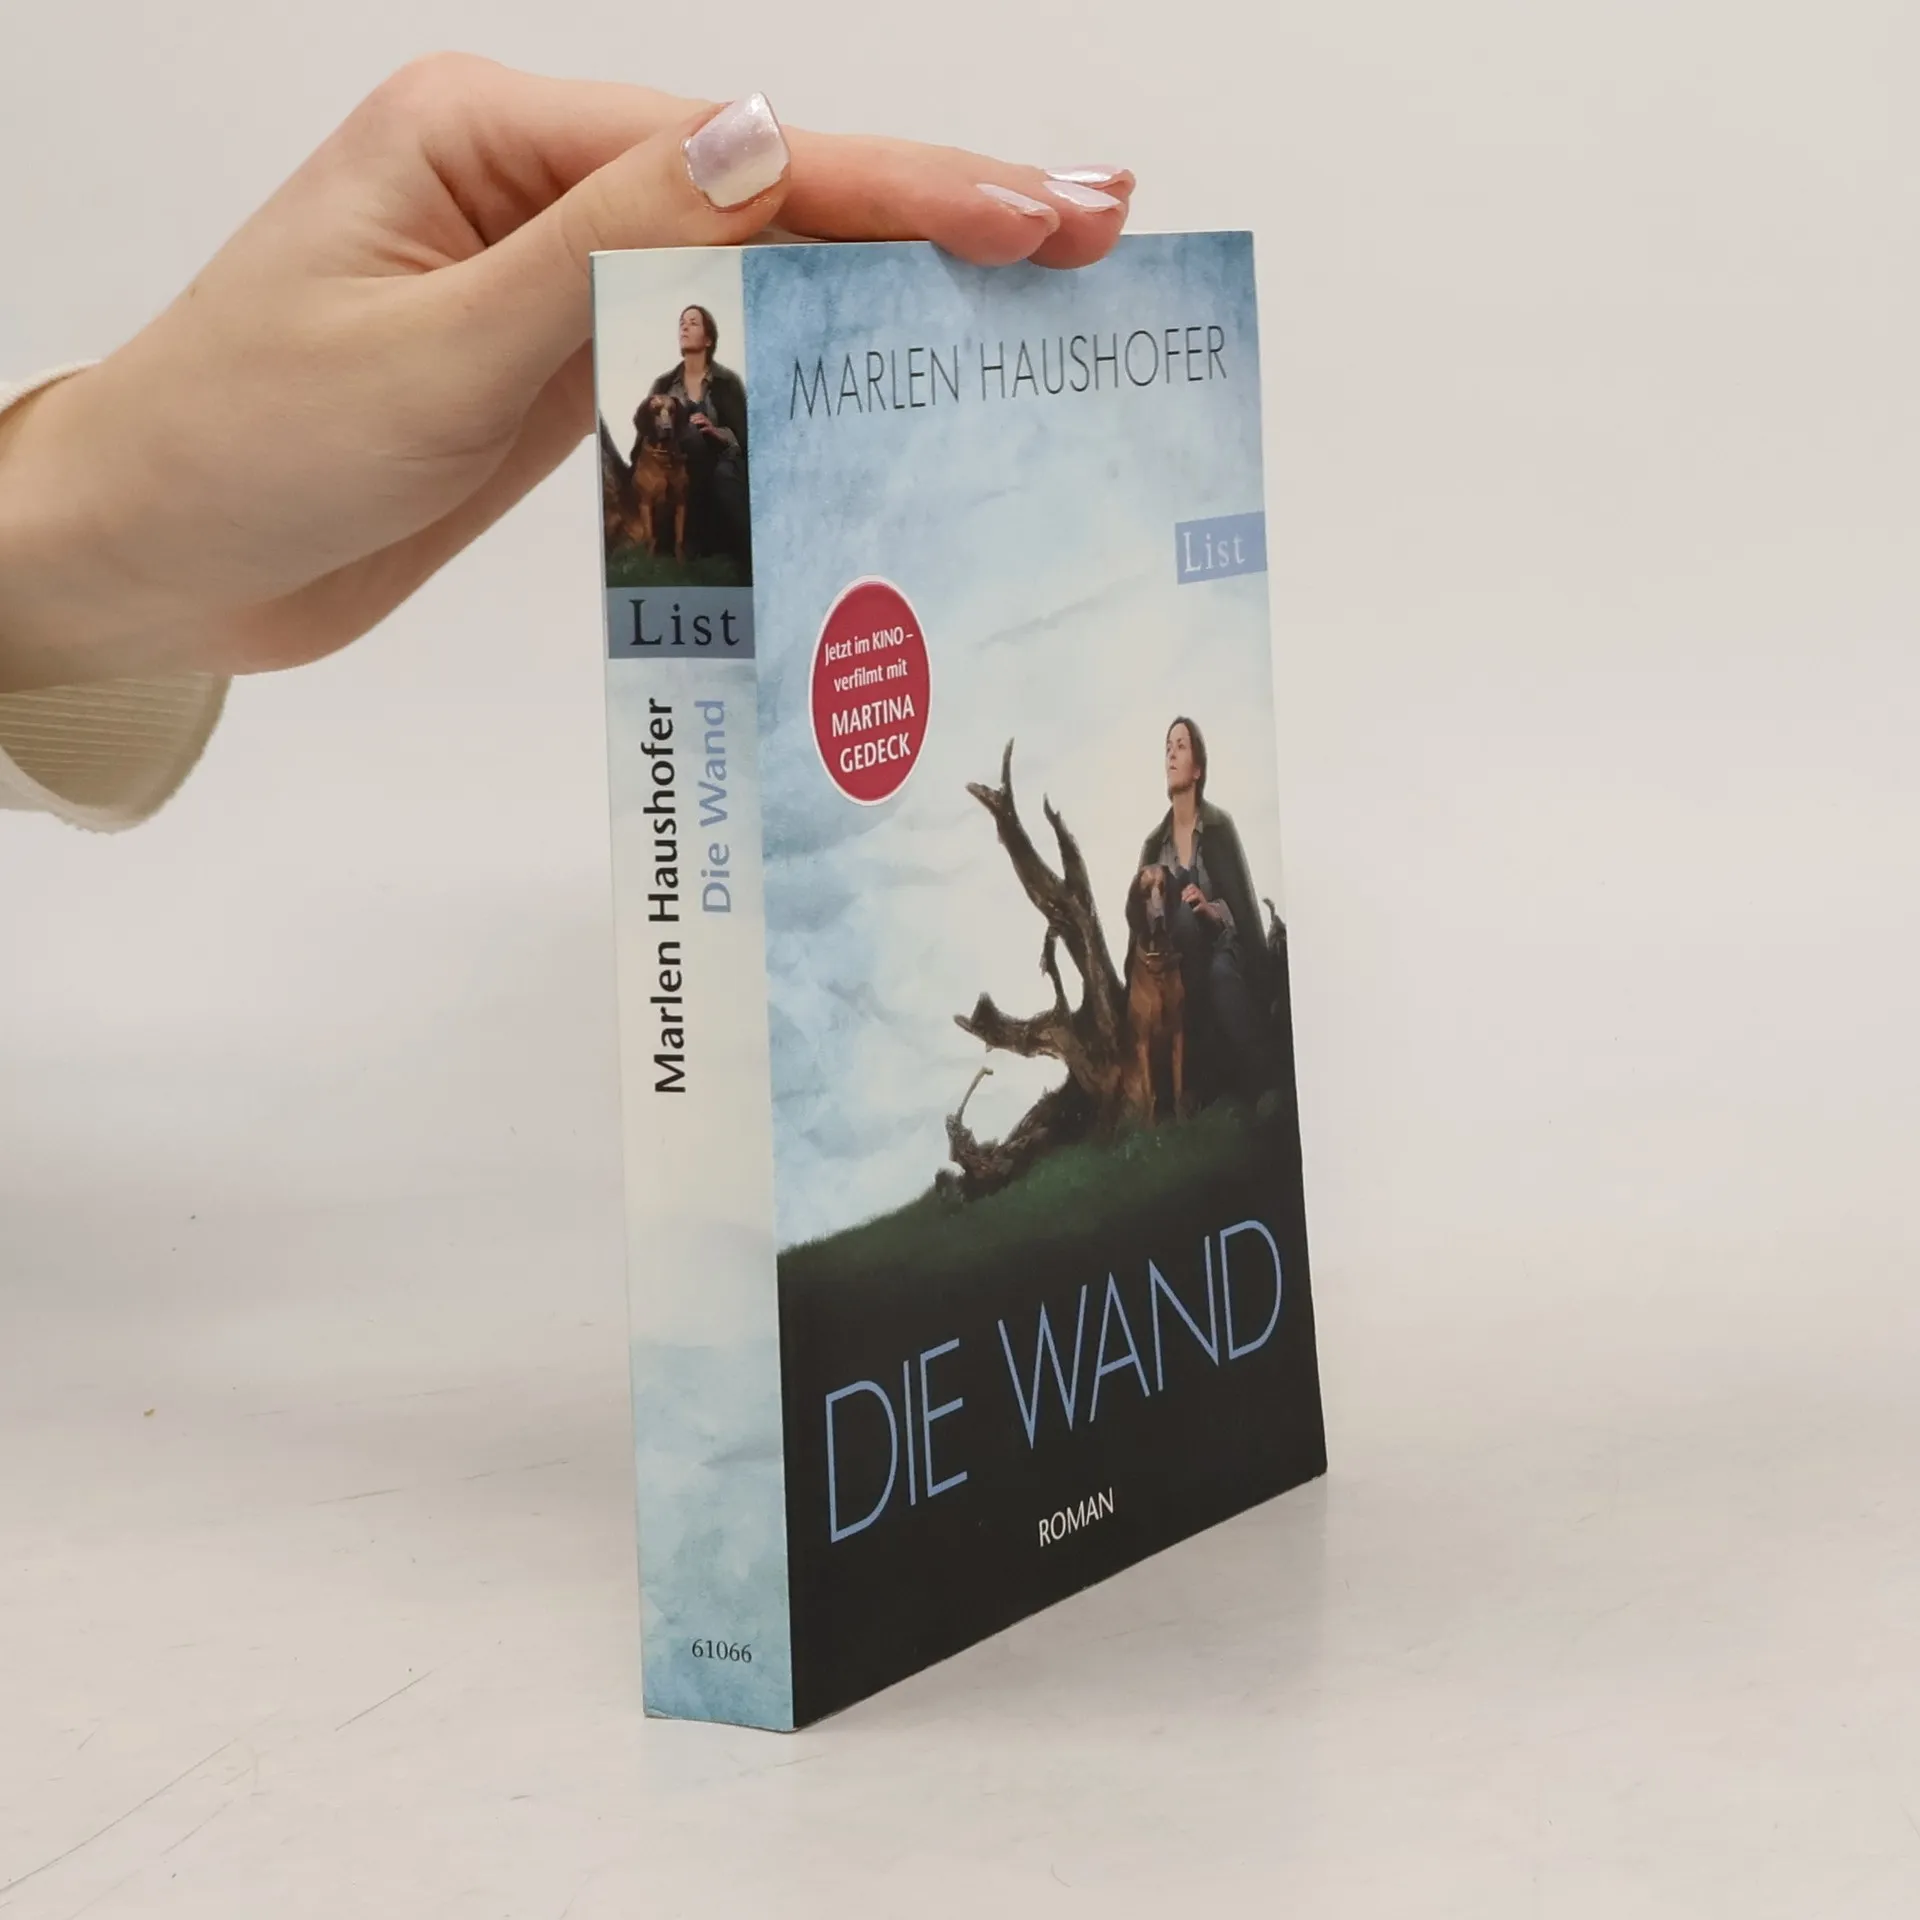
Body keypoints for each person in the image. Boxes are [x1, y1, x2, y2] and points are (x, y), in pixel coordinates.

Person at [0, 59, 1133, 831]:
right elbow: (645, 429)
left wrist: (83, 558)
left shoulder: (731, 380)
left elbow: (739, 442)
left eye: (696, 329)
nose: (691, 337)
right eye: (686, 328)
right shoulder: (657, 382)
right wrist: (99, 534)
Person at [1135, 716, 1274, 1105]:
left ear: (1197, 769)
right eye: (1167, 748)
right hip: (1178, 964)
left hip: (1224, 945)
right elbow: (1141, 924)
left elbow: (1242, 907)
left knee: (1222, 976)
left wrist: (1210, 911)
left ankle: (1263, 1084)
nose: (1171, 755)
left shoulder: (1218, 827)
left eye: (1180, 746)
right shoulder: (1154, 846)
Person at [648, 304, 751, 569]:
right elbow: (647, 433)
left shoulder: (727, 382)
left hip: (722, 461)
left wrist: (716, 432)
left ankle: (743, 556)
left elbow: (746, 435)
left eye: (693, 323)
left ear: (708, 339)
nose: (684, 327)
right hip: (679, 465)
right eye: (682, 322)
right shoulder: (664, 385)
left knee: (725, 476)